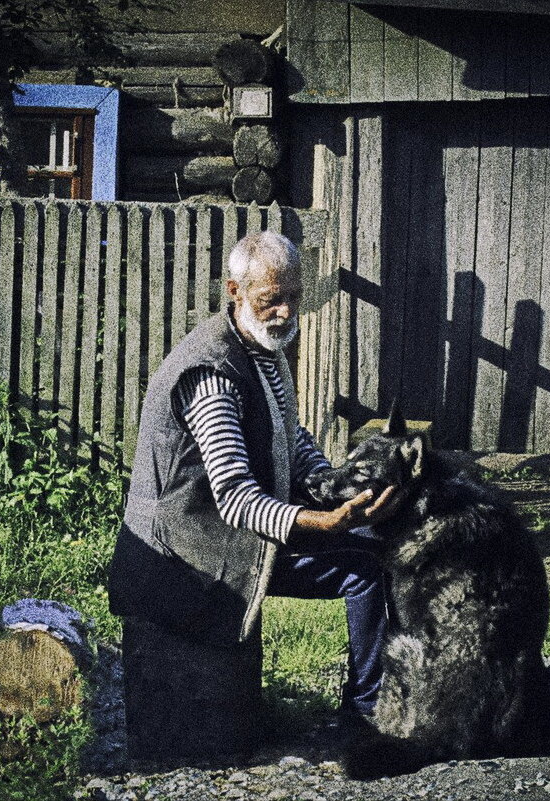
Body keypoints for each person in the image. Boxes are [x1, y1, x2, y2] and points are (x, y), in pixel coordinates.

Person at [108, 231, 399, 720]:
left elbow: (290, 436)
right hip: (185, 554)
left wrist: (332, 487)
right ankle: (369, 713)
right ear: (233, 291)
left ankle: (383, 696)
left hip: (223, 534)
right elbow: (236, 499)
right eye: (270, 300)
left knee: (376, 536)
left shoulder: (261, 346)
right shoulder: (213, 374)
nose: (286, 312)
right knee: (367, 569)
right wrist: (325, 522)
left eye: (294, 298)